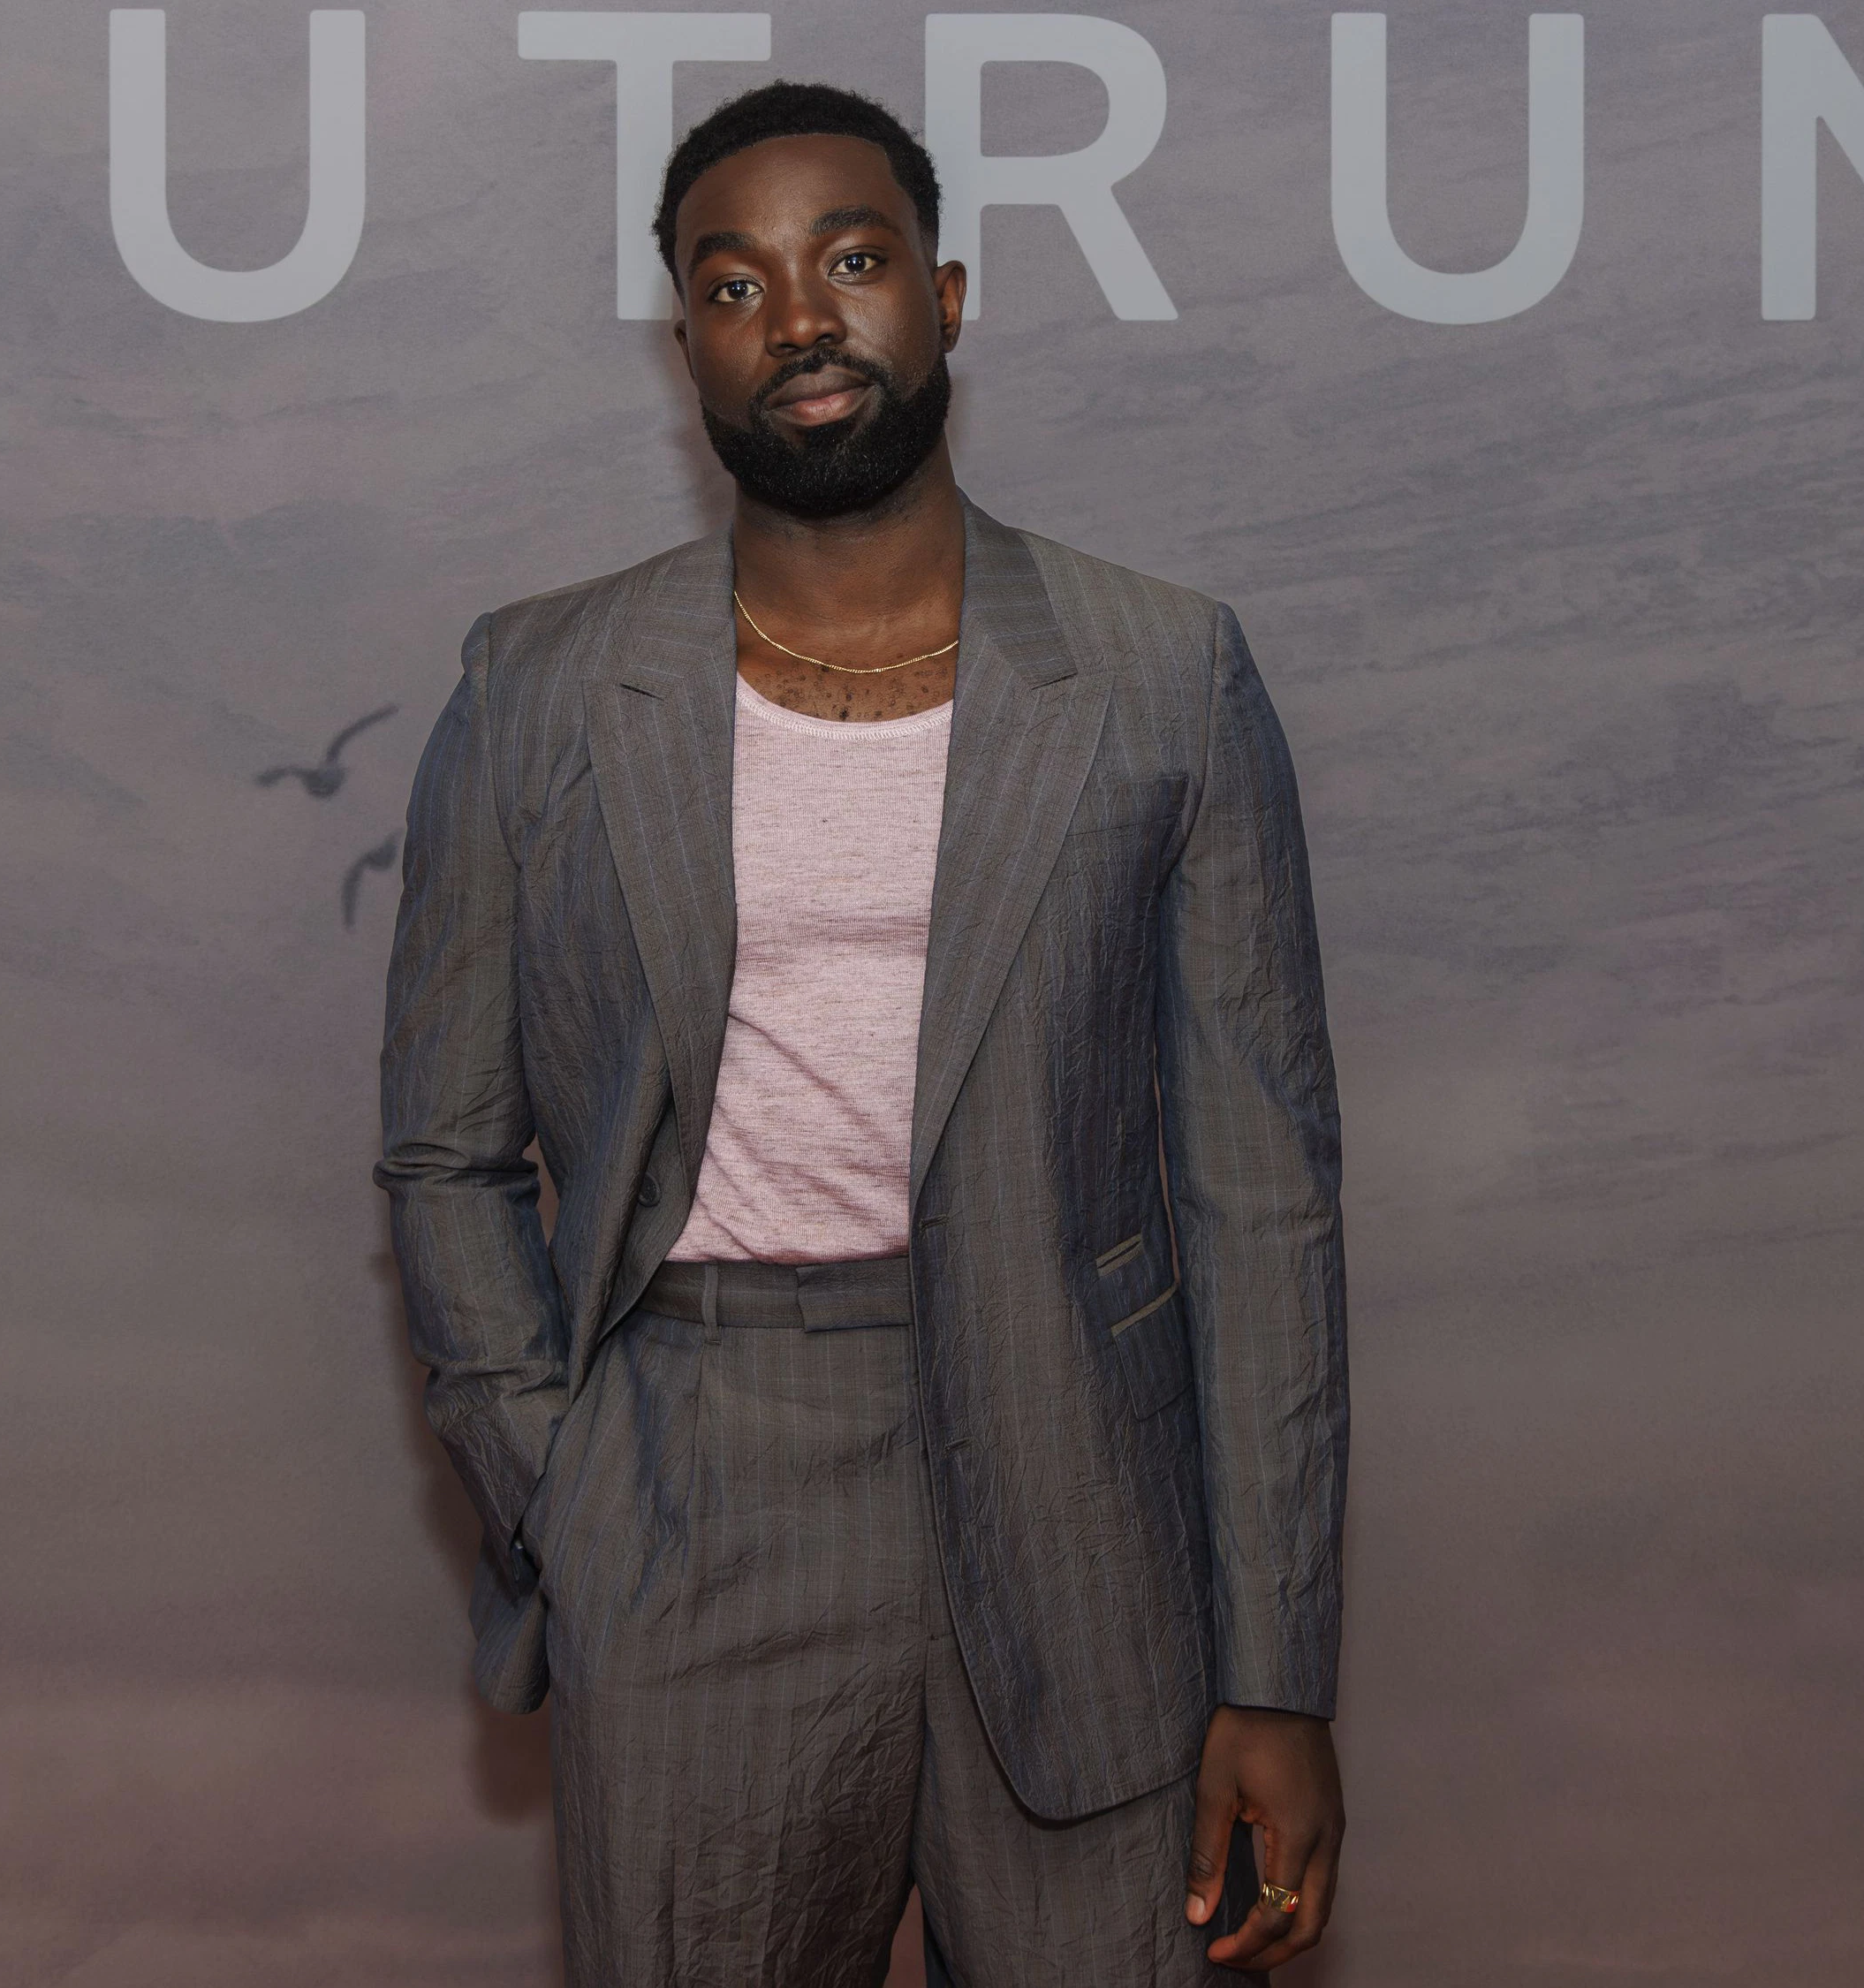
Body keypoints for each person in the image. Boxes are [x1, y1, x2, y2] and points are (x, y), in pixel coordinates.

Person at [377, 80, 1347, 1985]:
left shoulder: (1162, 672)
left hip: (1084, 1501)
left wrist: (1278, 1665)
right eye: (733, 286)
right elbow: (443, 1148)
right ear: (686, 348)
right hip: (698, 1488)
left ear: (945, 294)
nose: (799, 320)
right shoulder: (541, 686)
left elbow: (1262, 1201)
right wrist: (567, 1490)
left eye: (851, 260)